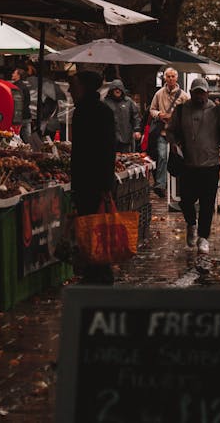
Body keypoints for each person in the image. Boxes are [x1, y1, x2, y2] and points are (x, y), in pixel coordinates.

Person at [167, 77, 220, 255]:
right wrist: (174, 144)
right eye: (196, 92)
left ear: (207, 93)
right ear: (191, 93)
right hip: (188, 165)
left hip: (210, 165)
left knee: (207, 205)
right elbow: (170, 130)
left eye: (203, 92)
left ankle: (203, 238)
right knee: (185, 202)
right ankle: (191, 224)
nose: (200, 96)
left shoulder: (215, 109)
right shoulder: (182, 109)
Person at [69, 71, 116, 283]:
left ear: (85, 87)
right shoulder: (83, 111)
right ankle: (94, 270)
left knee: (95, 227)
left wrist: (105, 184)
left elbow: (107, 150)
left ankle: (100, 272)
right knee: (89, 226)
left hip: (93, 182)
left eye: (74, 86)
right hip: (84, 180)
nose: (70, 90)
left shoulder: (99, 112)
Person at [149, 67, 188, 197]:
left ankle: (181, 187)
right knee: (162, 157)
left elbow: (188, 112)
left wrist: (175, 117)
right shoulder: (159, 93)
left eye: (173, 76)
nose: (170, 79)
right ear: (165, 78)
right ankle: (160, 185)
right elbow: (152, 109)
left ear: (176, 78)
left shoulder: (183, 95)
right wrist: (160, 114)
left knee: (179, 158)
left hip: (177, 134)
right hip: (163, 132)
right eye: (168, 76)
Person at [104, 79, 142, 152]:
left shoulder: (128, 102)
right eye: (115, 89)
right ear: (112, 90)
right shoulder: (106, 102)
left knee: (126, 159)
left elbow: (135, 116)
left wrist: (137, 130)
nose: (117, 91)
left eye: (119, 89)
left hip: (125, 136)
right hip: (110, 138)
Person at [11, 67, 32, 143]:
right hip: (26, 115)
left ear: (18, 75)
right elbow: (28, 101)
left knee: (15, 137)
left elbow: (17, 101)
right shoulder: (24, 86)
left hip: (19, 116)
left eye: (14, 73)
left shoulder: (15, 87)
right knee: (27, 138)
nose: (12, 74)